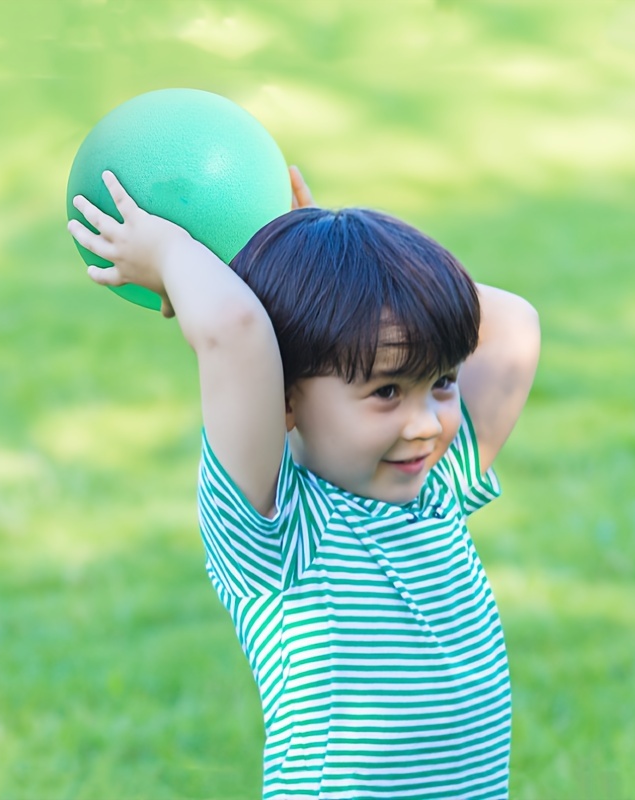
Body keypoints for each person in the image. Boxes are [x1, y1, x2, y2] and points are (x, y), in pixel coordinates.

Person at [68, 166, 540, 800]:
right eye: (387, 391)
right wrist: (171, 252)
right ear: (285, 400)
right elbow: (235, 334)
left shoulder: (436, 492)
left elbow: (514, 326)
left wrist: (331, 285)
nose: (426, 423)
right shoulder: (277, 529)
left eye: (443, 383)